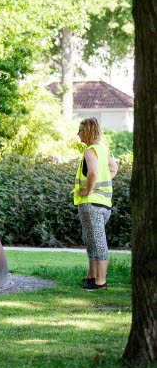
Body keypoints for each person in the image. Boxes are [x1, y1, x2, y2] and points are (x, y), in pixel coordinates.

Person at [74, 117, 118, 291]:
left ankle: (100, 281)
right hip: (104, 203)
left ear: (89, 131)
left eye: (81, 130)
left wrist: (89, 190)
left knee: (97, 241)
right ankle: (92, 276)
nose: (78, 134)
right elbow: (113, 169)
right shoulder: (102, 151)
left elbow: (92, 172)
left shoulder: (90, 151)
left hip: (92, 203)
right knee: (91, 240)